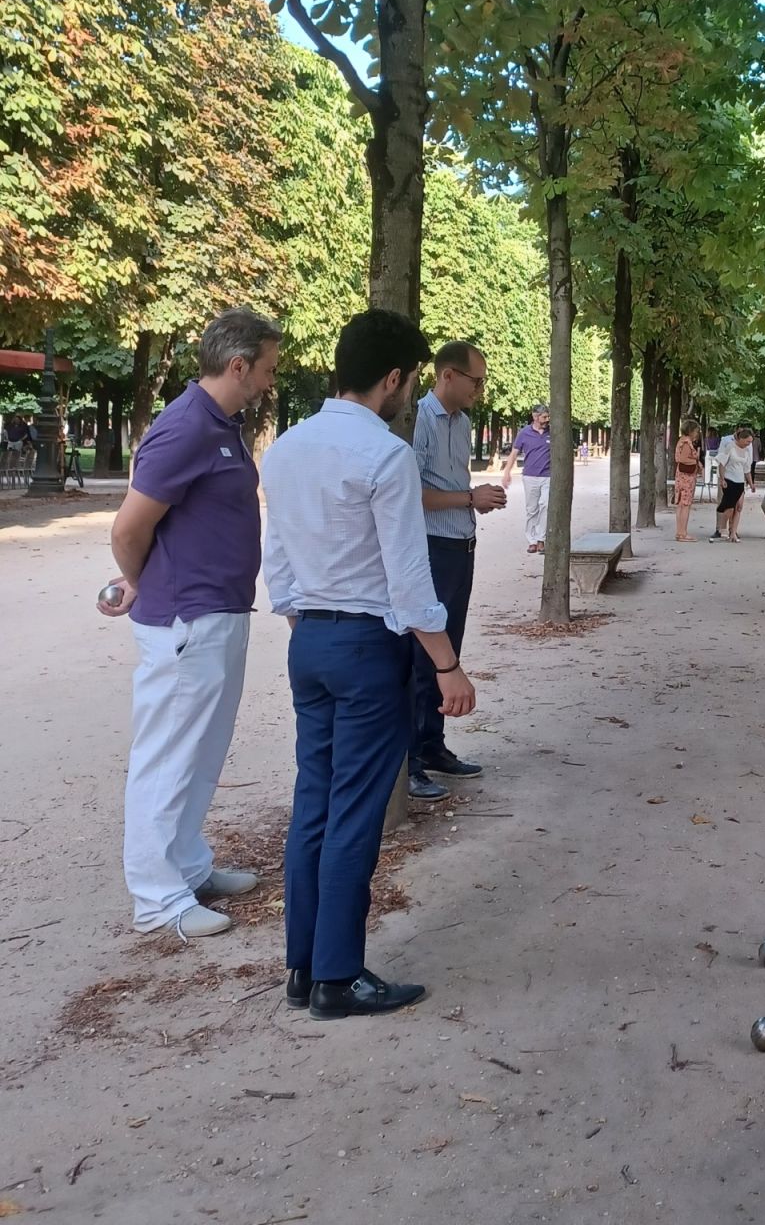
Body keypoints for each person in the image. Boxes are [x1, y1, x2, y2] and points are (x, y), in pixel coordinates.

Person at [262, 309, 476, 1020]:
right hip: (364, 647)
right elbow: (411, 583)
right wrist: (446, 666)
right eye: (407, 382)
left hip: (310, 642)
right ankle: (339, 975)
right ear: (393, 379)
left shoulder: (287, 447)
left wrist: (310, 621)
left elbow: (280, 565)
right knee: (354, 810)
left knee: (314, 803)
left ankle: (303, 966)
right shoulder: (386, 456)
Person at [97, 308, 282, 939]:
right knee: (170, 756)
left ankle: (185, 865)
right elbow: (128, 527)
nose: (270, 381)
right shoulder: (185, 428)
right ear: (238, 365)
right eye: (267, 368)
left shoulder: (219, 424)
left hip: (214, 613)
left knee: (200, 752)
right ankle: (156, 897)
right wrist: (143, 580)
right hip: (186, 619)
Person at [408, 341, 506, 802]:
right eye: (475, 380)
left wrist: (472, 499)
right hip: (431, 546)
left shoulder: (463, 423)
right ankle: (408, 760)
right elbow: (410, 493)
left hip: (460, 543)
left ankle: (433, 744)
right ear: (447, 375)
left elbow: (448, 484)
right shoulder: (419, 421)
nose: (480, 390)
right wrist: (470, 498)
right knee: (424, 652)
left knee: (450, 646)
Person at [501, 402, 552, 554]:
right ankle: (532, 541)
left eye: (548, 416)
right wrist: (507, 472)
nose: (547, 419)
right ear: (535, 417)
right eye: (544, 417)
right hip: (530, 476)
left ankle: (541, 539)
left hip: (548, 476)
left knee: (545, 505)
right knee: (532, 509)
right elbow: (514, 453)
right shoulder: (524, 433)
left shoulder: (553, 432)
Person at [712, 425, 756, 542]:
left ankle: (733, 532)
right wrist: (722, 479)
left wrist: (751, 483)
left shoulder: (746, 451)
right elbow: (722, 463)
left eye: (750, 442)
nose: (749, 444)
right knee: (730, 507)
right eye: (747, 441)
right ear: (741, 438)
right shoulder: (730, 447)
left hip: (740, 481)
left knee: (739, 507)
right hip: (729, 479)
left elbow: (747, 469)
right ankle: (722, 527)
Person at [674, 418, 703, 542]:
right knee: (685, 504)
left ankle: (680, 532)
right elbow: (683, 458)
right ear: (690, 431)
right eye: (696, 431)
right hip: (687, 477)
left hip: (682, 476)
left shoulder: (682, 441)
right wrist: (696, 463)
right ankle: (683, 533)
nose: (697, 434)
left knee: (681, 504)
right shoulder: (687, 443)